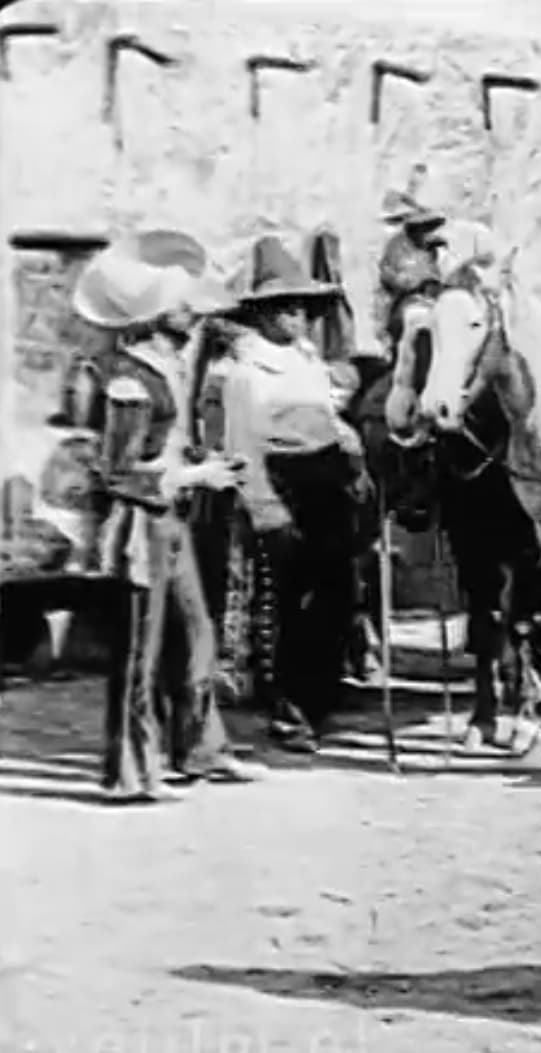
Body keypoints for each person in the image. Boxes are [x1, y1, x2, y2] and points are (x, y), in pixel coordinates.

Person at [73, 232, 269, 802]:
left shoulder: (170, 368)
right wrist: (192, 477)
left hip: (170, 521)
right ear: (159, 315)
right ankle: (129, 769)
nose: (196, 313)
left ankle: (201, 748)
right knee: (140, 650)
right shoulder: (132, 381)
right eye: (185, 305)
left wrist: (204, 462)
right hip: (139, 528)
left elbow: (168, 449)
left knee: (198, 635)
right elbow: (115, 473)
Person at [209, 235, 366, 754]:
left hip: (329, 480)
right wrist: (268, 512)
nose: (299, 318)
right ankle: (291, 708)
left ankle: (321, 697)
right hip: (287, 484)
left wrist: (352, 454)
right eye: (287, 308)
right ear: (264, 314)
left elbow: (327, 412)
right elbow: (243, 451)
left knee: (337, 595)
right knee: (294, 605)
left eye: (303, 308)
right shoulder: (245, 373)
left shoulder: (304, 358)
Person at [376, 165, 448, 357]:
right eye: (423, 227)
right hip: (405, 304)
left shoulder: (432, 249)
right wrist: (413, 282)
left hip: (433, 301)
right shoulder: (397, 246)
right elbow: (389, 275)